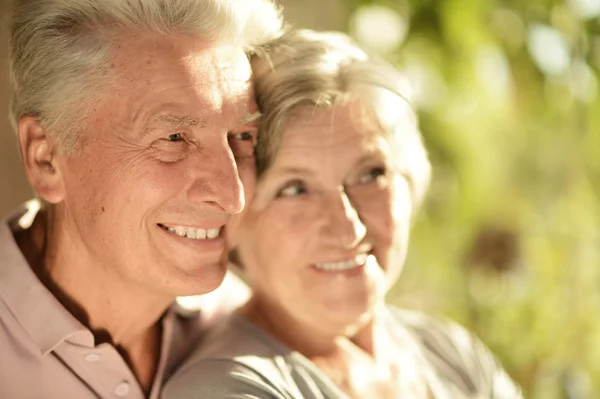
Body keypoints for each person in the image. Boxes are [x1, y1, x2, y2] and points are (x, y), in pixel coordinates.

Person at [163, 29, 523, 398]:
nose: (347, 225)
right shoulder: (227, 389)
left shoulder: (449, 352)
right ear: (236, 221)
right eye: (295, 189)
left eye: (371, 175)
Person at [0, 0, 282, 398]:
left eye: (243, 137)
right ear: (45, 157)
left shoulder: (244, 324)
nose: (233, 196)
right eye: (173, 138)